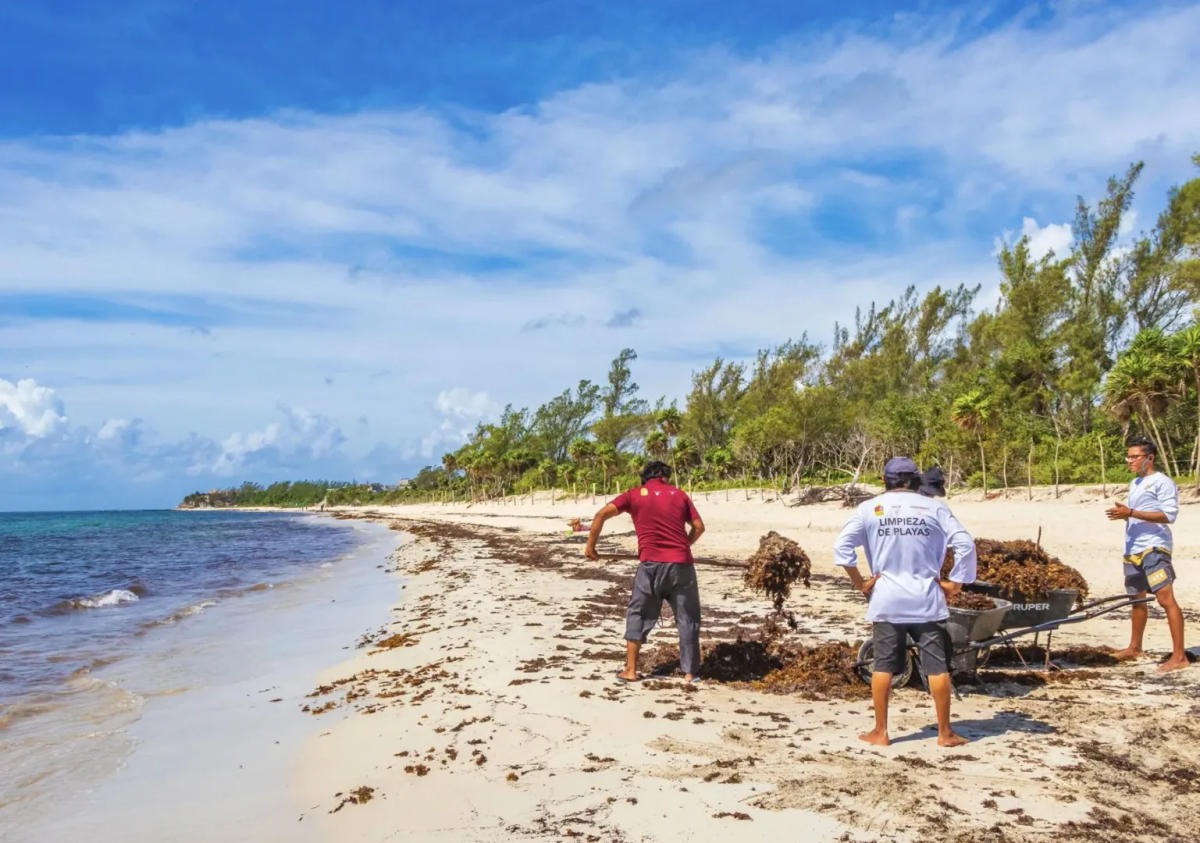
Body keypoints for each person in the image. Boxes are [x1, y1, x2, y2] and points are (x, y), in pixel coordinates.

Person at [833, 457, 977, 747]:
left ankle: (881, 732)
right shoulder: (935, 507)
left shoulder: (868, 509)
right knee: (936, 667)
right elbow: (965, 544)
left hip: (887, 599)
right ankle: (945, 733)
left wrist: (859, 582)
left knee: (883, 666)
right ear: (914, 480)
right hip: (926, 599)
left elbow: (842, 547)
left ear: (884, 481)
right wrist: (955, 583)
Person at [584, 461, 705, 682]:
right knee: (688, 618)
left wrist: (591, 547)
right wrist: (683, 546)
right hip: (682, 566)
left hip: (650, 566)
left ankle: (630, 670)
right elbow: (698, 527)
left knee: (638, 613)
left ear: (645, 477)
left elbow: (601, 515)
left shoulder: (633, 495)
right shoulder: (679, 495)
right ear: (664, 476)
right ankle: (690, 673)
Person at [1105, 437, 1188, 672]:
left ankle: (1179, 656)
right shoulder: (1135, 483)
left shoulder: (1162, 482)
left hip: (1154, 548)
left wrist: (1131, 512)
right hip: (1132, 549)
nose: (1129, 461)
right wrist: (1126, 514)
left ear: (1149, 458)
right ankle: (1135, 647)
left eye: (1134, 457)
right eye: (1128, 456)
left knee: (1165, 599)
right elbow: (1137, 513)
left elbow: (1168, 515)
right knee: (1137, 600)